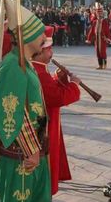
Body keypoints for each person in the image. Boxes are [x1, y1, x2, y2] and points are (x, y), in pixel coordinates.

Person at [0, 0, 51, 202]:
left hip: (34, 152)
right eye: (40, 32)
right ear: (27, 36)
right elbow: (11, 110)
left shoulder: (26, 63)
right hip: (23, 157)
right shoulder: (13, 66)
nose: (44, 36)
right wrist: (31, 149)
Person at [31, 26, 80, 195]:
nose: (52, 54)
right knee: (47, 165)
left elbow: (48, 91)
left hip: (45, 122)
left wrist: (57, 79)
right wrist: (74, 85)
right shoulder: (39, 71)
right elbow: (56, 98)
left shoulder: (39, 69)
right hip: (44, 127)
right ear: (41, 51)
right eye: (50, 50)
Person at [86, 2, 111, 69]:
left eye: (100, 14)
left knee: (103, 52)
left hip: (103, 39)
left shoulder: (104, 22)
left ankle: (104, 65)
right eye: (98, 14)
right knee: (97, 52)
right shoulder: (95, 22)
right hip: (97, 39)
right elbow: (91, 31)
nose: (99, 15)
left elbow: (108, 31)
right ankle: (100, 65)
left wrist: (108, 38)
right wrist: (89, 39)